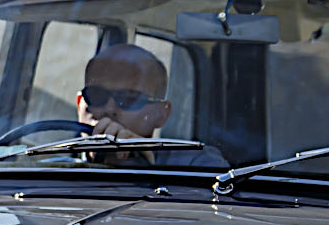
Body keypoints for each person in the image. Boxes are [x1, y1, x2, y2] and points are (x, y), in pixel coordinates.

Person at [76, 43, 225, 168]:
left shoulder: (196, 164)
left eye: (128, 99)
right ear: (79, 102)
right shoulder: (61, 159)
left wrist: (146, 169)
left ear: (161, 114)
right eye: (96, 95)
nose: (109, 109)